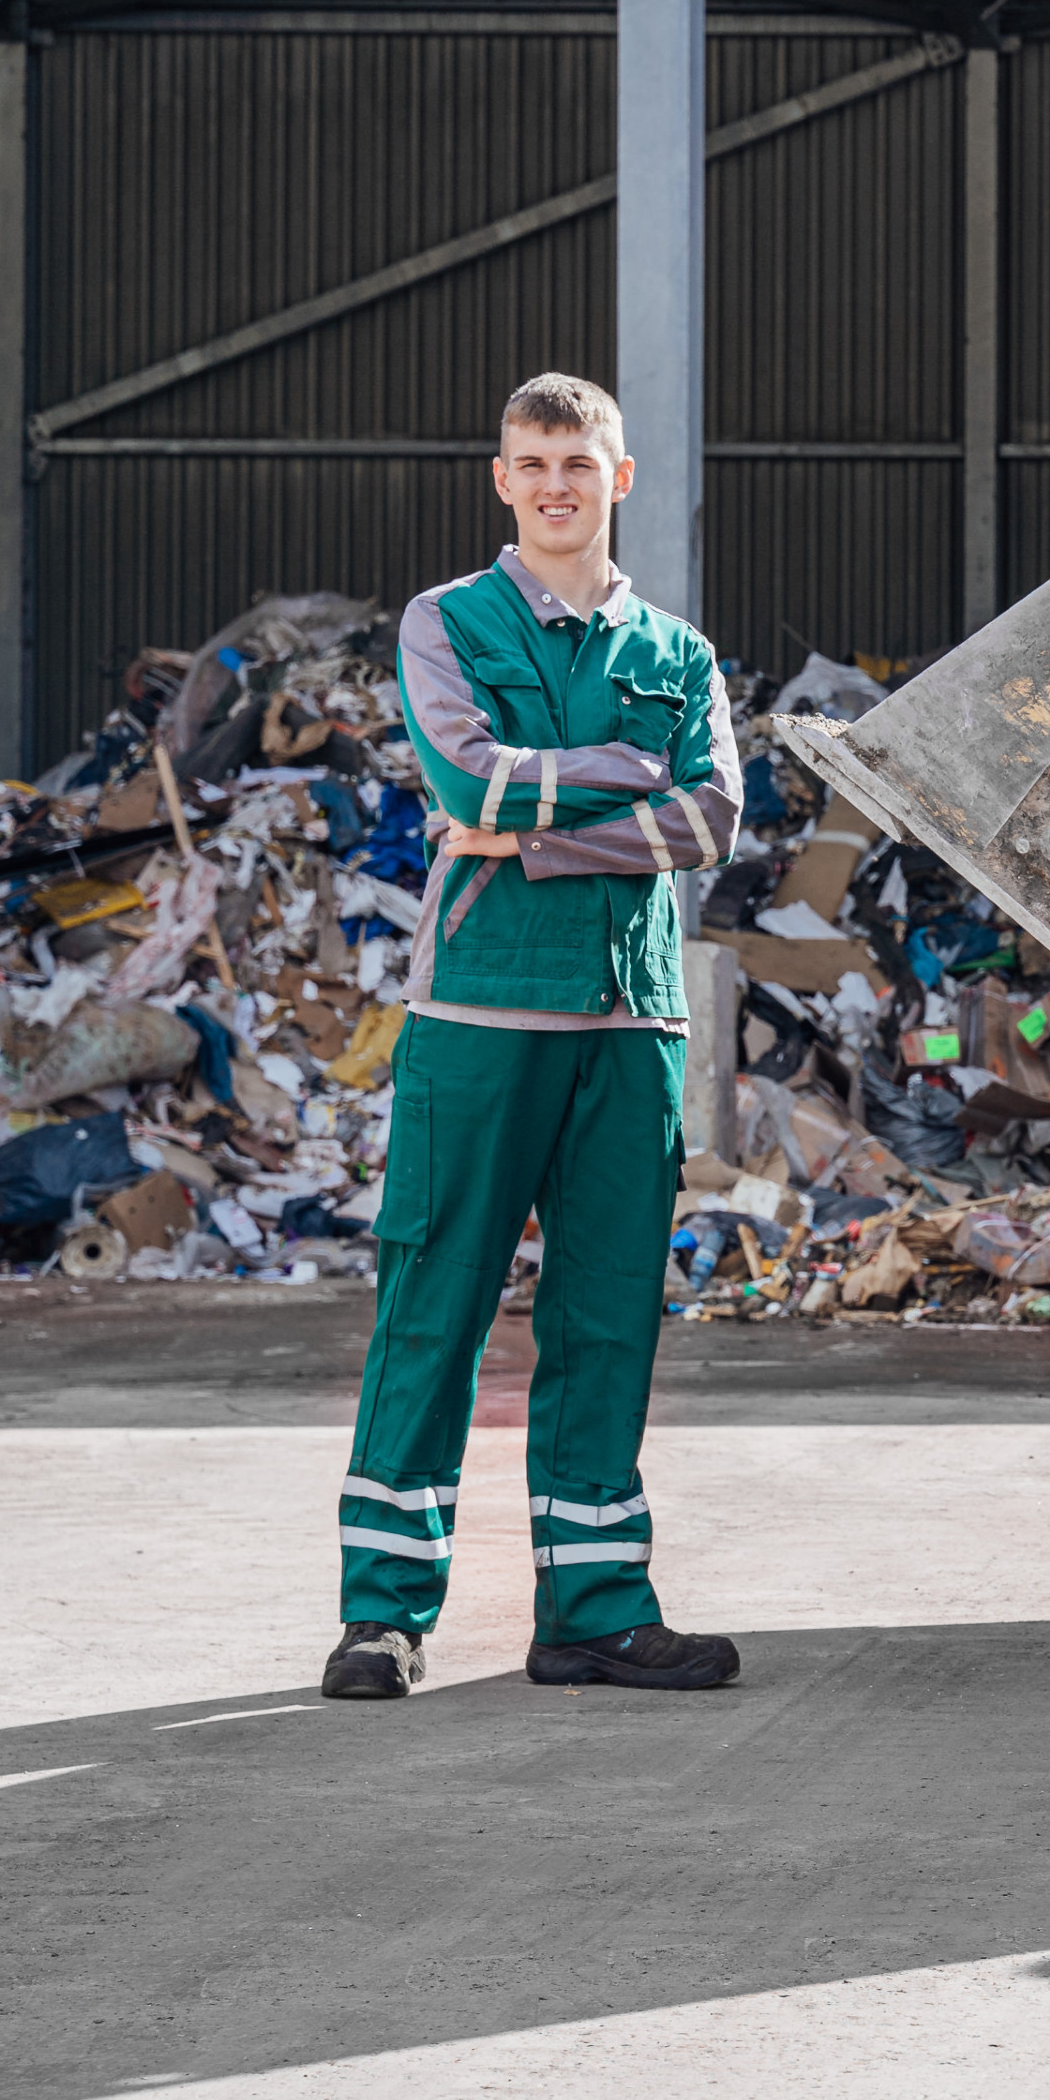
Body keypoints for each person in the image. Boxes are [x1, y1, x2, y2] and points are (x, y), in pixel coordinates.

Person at [320, 373, 749, 1701]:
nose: (558, 483)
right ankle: (384, 1615)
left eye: (580, 461)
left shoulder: (678, 655)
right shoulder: (445, 623)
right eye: (533, 463)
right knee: (432, 1307)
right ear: (502, 480)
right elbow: (462, 779)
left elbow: (712, 822)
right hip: (479, 1022)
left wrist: (538, 830)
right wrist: (629, 776)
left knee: (610, 1315)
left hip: (632, 1022)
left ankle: (596, 1612)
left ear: (620, 479)